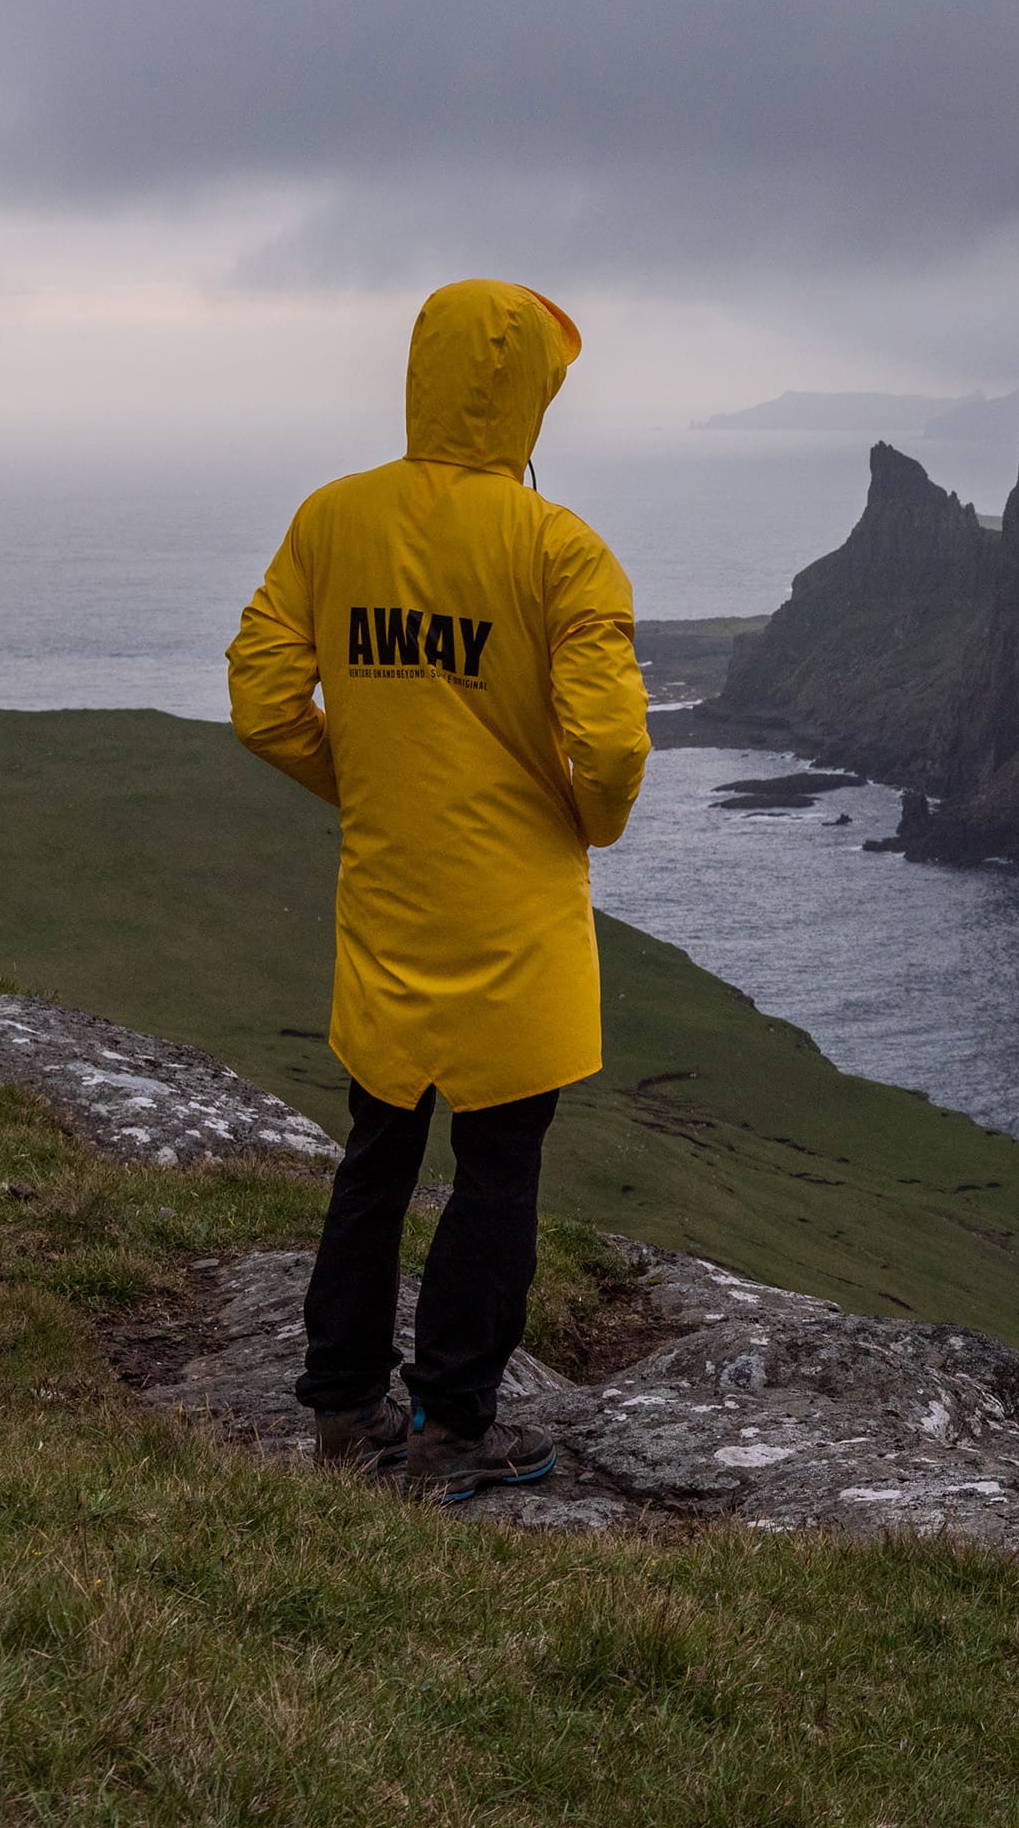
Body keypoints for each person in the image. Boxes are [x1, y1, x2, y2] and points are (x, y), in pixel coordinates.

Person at [224, 280, 649, 1502]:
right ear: (528, 393)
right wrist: (584, 820)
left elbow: (261, 700)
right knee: (498, 1172)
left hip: (390, 895)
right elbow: (612, 747)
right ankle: (452, 1429)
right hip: (514, 916)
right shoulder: (558, 547)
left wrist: (362, 780)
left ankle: (342, 1408)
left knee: (376, 1156)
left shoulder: (330, 520)